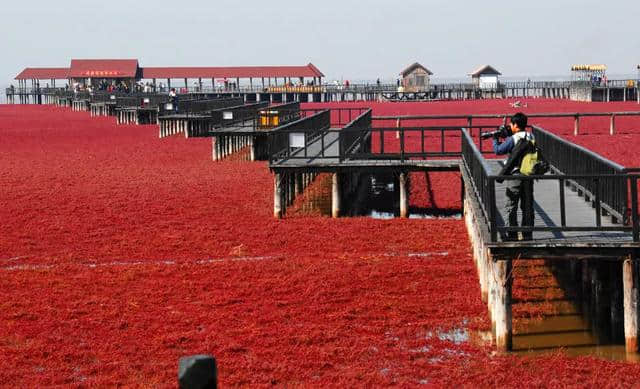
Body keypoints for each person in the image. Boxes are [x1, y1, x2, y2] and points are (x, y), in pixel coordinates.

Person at [493, 112, 534, 241]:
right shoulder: (531, 136)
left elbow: (498, 150)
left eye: (511, 124)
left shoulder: (514, 139)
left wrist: (495, 138)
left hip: (515, 176)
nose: (510, 126)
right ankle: (527, 234)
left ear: (516, 125)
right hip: (528, 175)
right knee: (527, 205)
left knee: (511, 205)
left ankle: (512, 234)